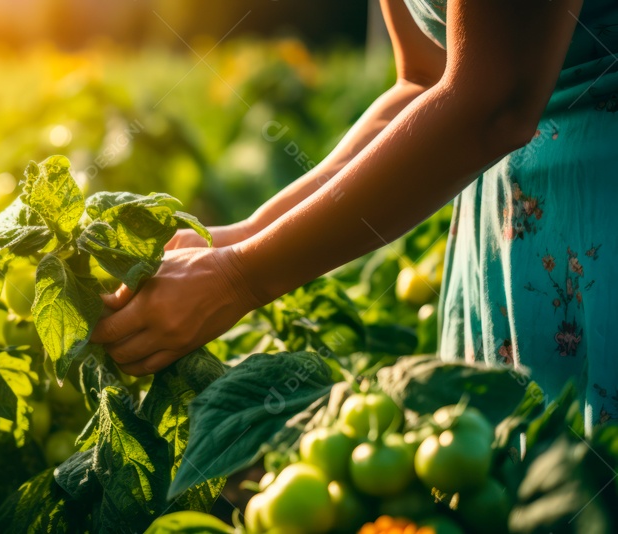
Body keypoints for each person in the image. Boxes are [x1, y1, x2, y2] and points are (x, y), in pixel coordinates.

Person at [92, 0, 618, 429]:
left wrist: (240, 277)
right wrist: (243, 238)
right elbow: (424, 82)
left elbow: (494, 104)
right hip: (503, 237)